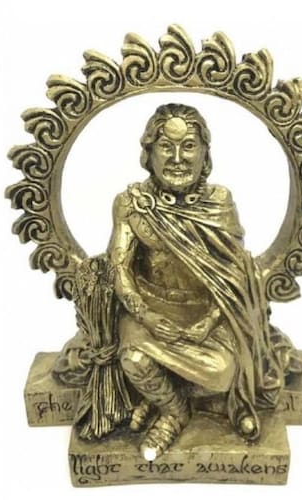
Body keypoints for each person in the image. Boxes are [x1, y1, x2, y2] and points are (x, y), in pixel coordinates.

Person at [108, 103, 284, 460]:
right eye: (165, 146)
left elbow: (235, 276)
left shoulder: (219, 202)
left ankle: (170, 393)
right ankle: (174, 412)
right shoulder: (132, 204)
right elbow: (119, 269)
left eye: (188, 146)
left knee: (221, 373)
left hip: (207, 315)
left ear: (205, 153)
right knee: (134, 359)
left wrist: (209, 321)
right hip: (151, 313)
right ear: (148, 153)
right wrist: (146, 316)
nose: (177, 158)